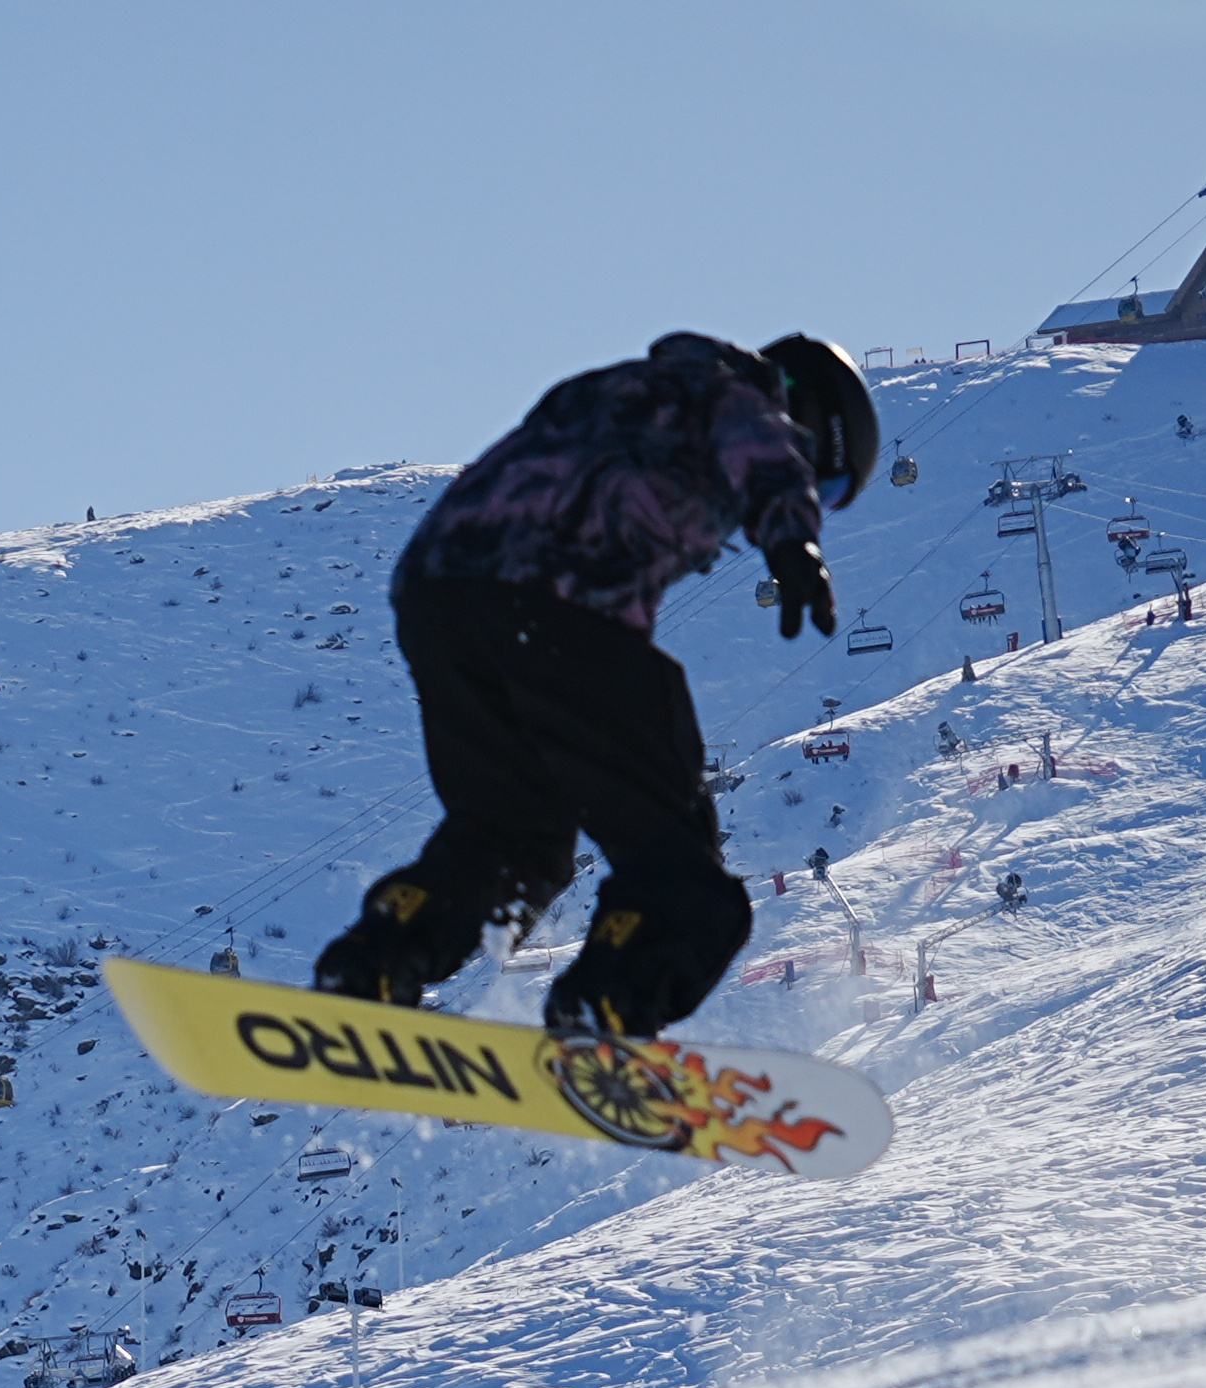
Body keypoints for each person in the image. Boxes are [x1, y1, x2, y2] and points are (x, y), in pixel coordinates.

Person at [311, 332, 878, 1038]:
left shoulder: (616, 389)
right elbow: (761, 452)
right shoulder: (737, 401)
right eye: (827, 484)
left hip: (440, 601)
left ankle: (377, 958)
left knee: (513, 843)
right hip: (558, 609)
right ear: (809, 421)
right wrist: (793, 540)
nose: (815, 493)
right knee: (687, 879)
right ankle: (605, 1005)